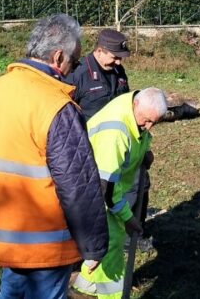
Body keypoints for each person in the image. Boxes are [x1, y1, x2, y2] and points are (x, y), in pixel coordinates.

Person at [0, 14, 109, 299]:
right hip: (46, 243)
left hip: (2, 234)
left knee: (11, 293)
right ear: (57, 57)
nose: (73, 70)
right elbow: (78, 186)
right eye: (74, 62)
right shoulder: (56, 107)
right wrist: (93, 246)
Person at [72, 87, 168, 299]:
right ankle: (114, 295)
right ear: (136, 106)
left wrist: (144, 151)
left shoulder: (134, 105)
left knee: (107, 245)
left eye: (155, 122)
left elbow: (138, 135)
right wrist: (128, 218)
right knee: (111, 244)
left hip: (108, 189)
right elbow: (107, 190)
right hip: (95, 194)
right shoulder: (114, 134)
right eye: (146, 120)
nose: (149, 126)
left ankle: (86, 286)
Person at [65, 29, 153, 252]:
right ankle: (87, 237)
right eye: (114, 56)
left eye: (120, 58)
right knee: (95, 192)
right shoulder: (78, 74)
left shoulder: (118, 71)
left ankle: (130, 233)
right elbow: (65, 113)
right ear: (99, 50)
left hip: (122, 142)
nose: (117, 61)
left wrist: (142, 146)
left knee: (138, 184)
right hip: (92, 148)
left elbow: (131, 107)